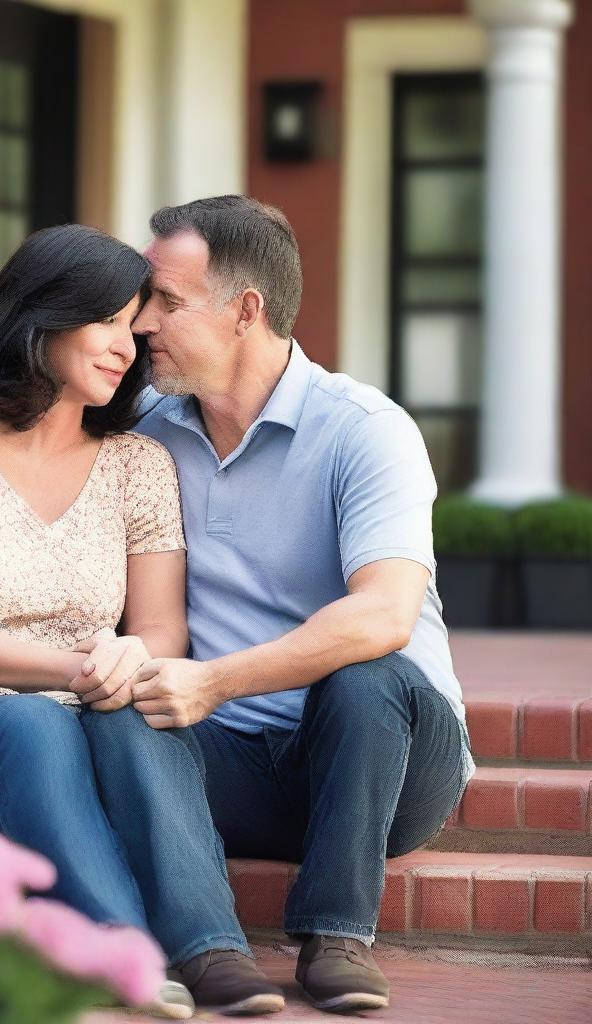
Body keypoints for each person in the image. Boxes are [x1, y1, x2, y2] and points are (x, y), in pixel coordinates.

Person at [0, 224, 285, 1019]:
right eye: (105, 320)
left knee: (1, 795)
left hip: (53, 741)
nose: (127, 346)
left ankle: (212, 950)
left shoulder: (138, 466)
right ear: (41, 316)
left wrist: (123, 664)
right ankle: (125, 952)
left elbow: (161, 632)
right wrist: (81, 668)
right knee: (32, 729)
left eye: (135, 325)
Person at [78, 194, 473, 1014]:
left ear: (245, 311)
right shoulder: (145, 431)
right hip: (231, 767)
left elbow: (384, 615)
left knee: (371, 673)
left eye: (166, 301)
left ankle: (336, 936)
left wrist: (213, 680)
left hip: (383, 765)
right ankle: (210, 952)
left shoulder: (366, 430)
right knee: (120, 703)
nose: (141, 322)